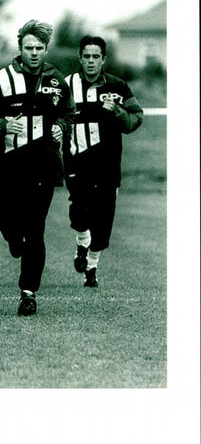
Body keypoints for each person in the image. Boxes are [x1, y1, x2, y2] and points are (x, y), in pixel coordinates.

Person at [0, 20, 75, 316]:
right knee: (10, 225)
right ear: (19, 48)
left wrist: (61, 128)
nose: (33, 53)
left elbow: (69, 114)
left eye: (39, 48)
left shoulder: (56, 80)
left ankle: (28, 293)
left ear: (46, 49)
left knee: (36, 229)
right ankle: (13, 239)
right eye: (28, 48)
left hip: (43, 165)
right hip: (7, 166)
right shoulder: (0, 79)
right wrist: (4, 124)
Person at [63, 36, 143, 287]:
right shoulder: (66, 86)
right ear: (79, 58)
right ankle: (82, 244)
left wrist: (116, 111)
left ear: (103, 60)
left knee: (104, 219)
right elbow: (50, 117)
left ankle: (92, 266)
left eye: (95, 56)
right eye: (86, 56)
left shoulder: (117, 87)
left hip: (108, 164)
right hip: (77, 161)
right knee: (78, 213)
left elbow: (135, 119)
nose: (90, 61)